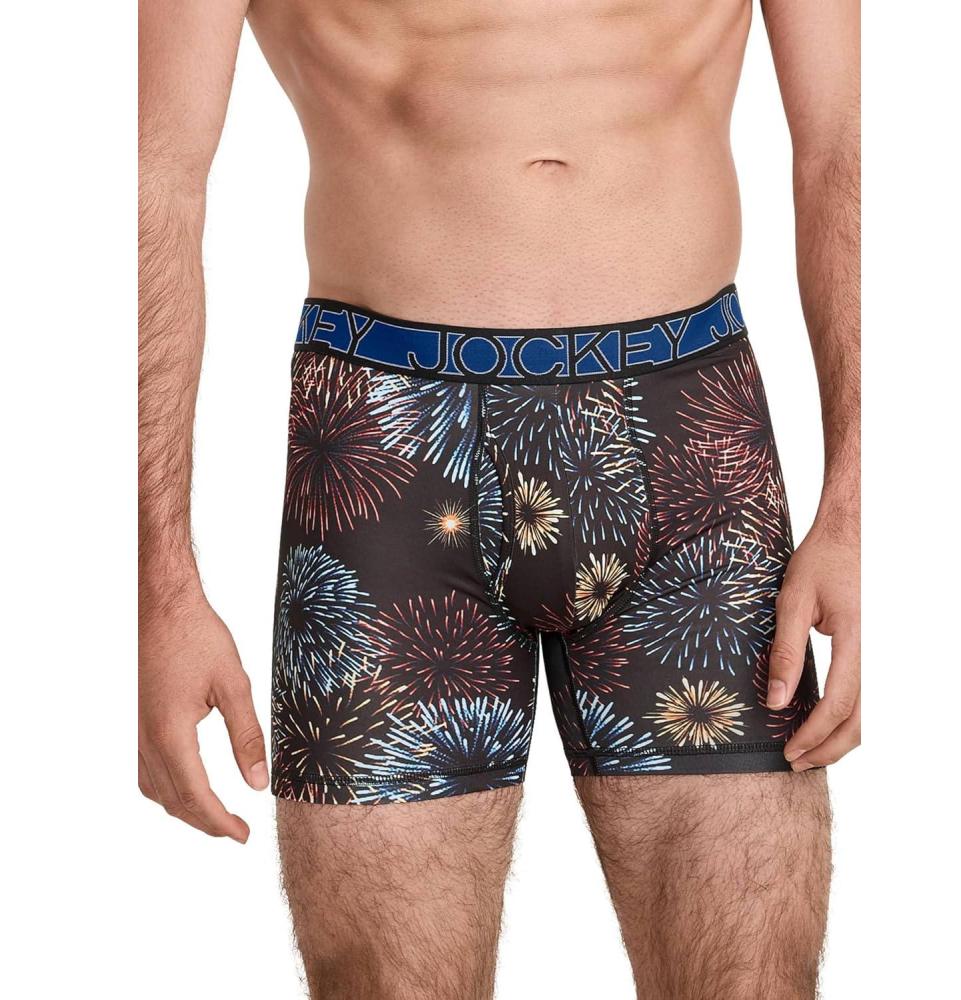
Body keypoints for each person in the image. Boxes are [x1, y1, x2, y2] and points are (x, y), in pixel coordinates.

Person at [138, 1, 859, 996]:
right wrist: (160, 590)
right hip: (390, 448)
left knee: (751, 975)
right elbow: (155, 173)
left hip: (689, 442)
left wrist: (856, 505)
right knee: (385, 984)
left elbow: (840, 148)